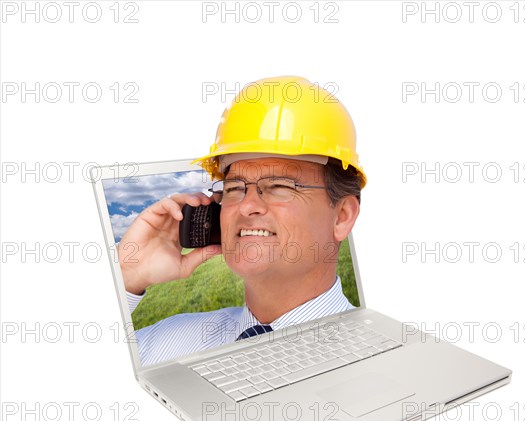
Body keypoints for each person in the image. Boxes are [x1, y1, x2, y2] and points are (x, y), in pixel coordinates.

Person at [119, 76, 367, 366]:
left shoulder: (372, 359)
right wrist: (128, 275)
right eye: (235, 188)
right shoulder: (165, 342)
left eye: (280, 186)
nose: (247, 205)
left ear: (342, 216)